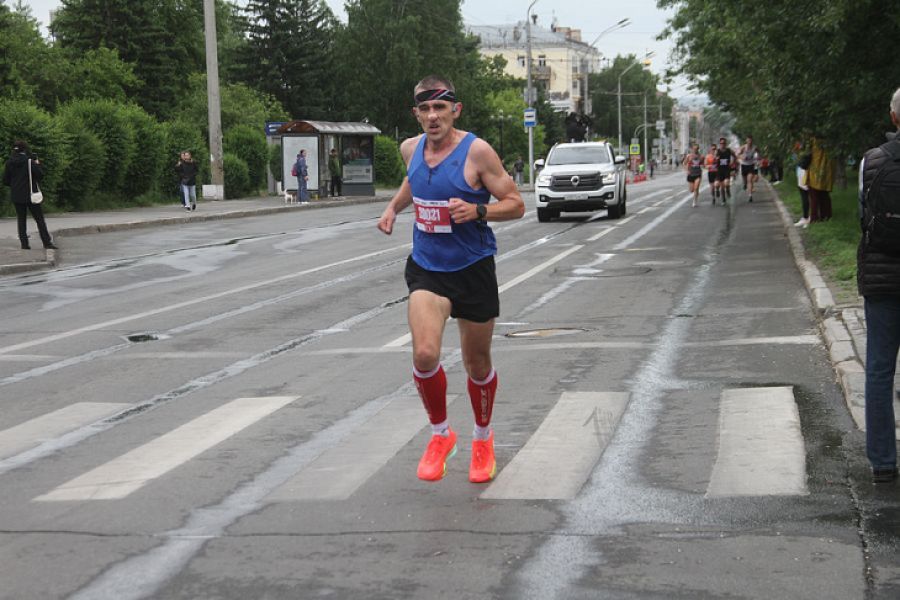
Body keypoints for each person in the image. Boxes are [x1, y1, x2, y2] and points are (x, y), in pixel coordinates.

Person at [377, 75, 525, 483]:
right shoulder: (410, 148)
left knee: (477, 364)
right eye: (424, 109)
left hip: (473, 269)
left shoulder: (477, 152)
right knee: (425, 354)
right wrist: (392, 208)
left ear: (454, 110)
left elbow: (515, 205)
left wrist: (478, 212)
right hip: (428, 268)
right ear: (416, 114)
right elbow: (414, 180)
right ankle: (441, 435)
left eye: (439, 108)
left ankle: (482, 438)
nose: (432, 116)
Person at [856, 86, 900, 484]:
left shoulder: (872, 161)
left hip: (883, 279)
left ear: (893, 117)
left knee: (879, 370)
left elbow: (862, 215)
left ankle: (884, 463)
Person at [2, 141, 57, 250]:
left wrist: (15, 185)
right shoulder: (29, 162)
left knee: (21, 220)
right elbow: (40, 175)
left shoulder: (9, 163)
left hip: (17, 195)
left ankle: (25, 244)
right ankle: (47, 243)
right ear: (24, 150)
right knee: (39, 219)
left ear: (14, 150)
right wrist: (37, 163)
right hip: (31, 195)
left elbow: (5, 180)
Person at [807, 137, 835, 222]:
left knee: (814, 195)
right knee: (824, 194)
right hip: (826, 170)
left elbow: (806, 153)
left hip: (814, 170)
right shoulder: (830, 141)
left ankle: (815, 218)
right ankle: (826, 216)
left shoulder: (813, 140)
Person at [738, 135, 760, 202]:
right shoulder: (743, 147)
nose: (749, 142)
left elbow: (759, 153)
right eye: (748, 140)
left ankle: (750, 196)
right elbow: (737, 154)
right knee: (745, 181)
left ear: (752, 141)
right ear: (746, 141)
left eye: (750, 140)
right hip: (744, 165)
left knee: (749, 180)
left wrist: (758, 159)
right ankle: (744, 184)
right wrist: (742, 157)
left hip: (751, 165)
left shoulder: (754, 147)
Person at [715, 137, 736, 203]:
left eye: (723, 143)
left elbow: (735, 156)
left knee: (726, 183)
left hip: (727, 169)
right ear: (719, 144)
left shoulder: (729, 150)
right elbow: (714, 159)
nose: (722, 144)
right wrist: (716, 159)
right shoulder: (717, 151)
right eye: (721, 143)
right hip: (719, 170)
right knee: (720, 185)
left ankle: (728, 190)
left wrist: (732, 162)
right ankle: (723, 198)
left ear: (725, 144)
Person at [794, 147, 812, 227]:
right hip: (801, 170)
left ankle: (807, 218)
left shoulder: (808, 144)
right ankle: (806, 217)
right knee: (805, 195)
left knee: (807, 195)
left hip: (805, 171)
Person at [683, 143, 702, 207]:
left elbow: (703, 163)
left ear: (698, 149)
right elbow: (684, 163)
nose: (695, 150)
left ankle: (694, 201)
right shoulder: (689, 156)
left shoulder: (700, 156)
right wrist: (687, 170)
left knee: (696, 188)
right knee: (691, 190)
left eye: (697, 149)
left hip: (698, 174)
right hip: (691, 174)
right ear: (692, 149)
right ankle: (696, 192)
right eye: (694, 149)